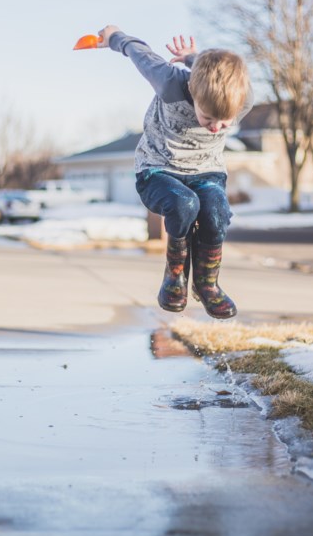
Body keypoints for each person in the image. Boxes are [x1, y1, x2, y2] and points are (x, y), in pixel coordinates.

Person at [97, 25, 253, 319]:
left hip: (206, 172)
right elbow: (139, 52)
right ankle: (175, 276)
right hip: (157, 171)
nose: (216, 127)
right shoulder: (169, 81)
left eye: (225, 122)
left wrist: (194, 57)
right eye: (208, 117)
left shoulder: (243, 98)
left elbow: (217, 75)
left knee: (216, 211)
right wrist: (113, 36)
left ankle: (207, 284)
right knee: (185, 203)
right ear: (193, 90)